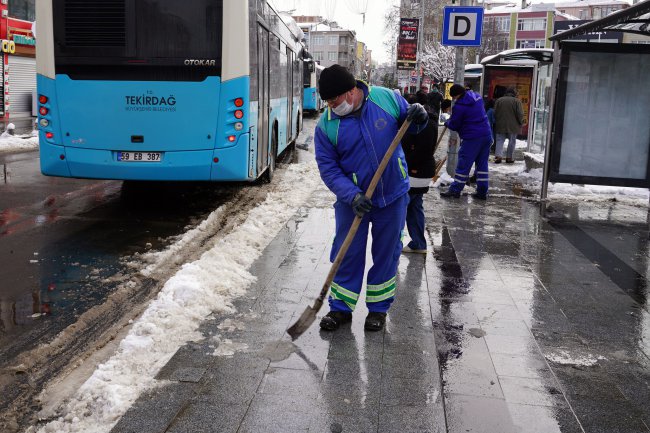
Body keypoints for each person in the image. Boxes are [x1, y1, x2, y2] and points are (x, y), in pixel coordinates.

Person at [314, 64, 428, 332]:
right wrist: (351, 195)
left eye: (334, 99)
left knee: (387, 252)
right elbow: (328, 169)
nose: (331, 105)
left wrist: (421, 118)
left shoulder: (385, 98)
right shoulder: (326, 126)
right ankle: (340, 308)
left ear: (352, 91)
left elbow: (412, 127)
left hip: (392, 195)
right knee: (347, 251)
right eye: (327, 101)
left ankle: (378, 309)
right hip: (352, 201)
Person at [440, 84, 493, 200]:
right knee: (482, 164)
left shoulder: (460, 106)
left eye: (454, 97)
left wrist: (447, 122)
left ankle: (455, 190)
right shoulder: (476, 97)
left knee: (464, 164)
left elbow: (454, 124)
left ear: (456, 95)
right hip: (486, 135)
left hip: (472, 137)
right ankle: (482, 191)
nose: (454, 100)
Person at [402, 94, 437, 254]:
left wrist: (406, 163)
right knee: (415, 207)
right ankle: (418, 243)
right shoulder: (431, 121)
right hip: (424, 172)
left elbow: (419, 149)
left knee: (400, 209)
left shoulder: (420, 124)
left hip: (415, 172)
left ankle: (395, 245)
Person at [494, 86, 524, 164]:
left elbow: (495, 112)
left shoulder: (499, 100)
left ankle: (498, 156)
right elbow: (520, 114)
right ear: (514, 93)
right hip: (513, 126)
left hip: (500, 124)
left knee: (500, 140)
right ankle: (509, 157)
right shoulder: (517, 101)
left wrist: (498, 120)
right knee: (512, 141)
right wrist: (521, 122)